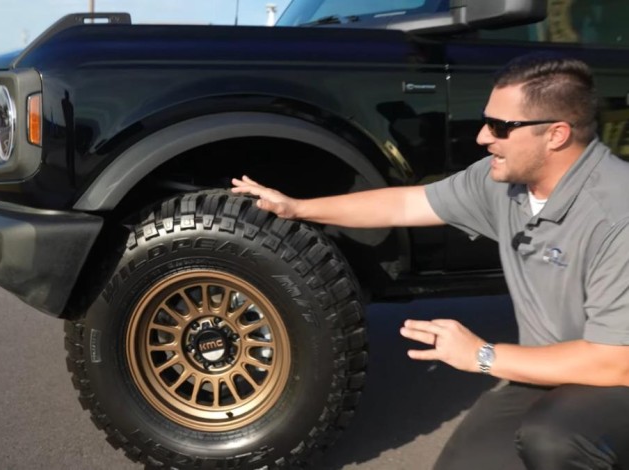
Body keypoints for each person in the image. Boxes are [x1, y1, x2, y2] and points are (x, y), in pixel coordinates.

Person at [231, 53, 629, 470]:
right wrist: (298, 207)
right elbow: (406, 204)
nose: (482, 137)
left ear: (556, 135)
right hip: (546, 372)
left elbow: (614, 363)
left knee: (554, 441)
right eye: (485, 121)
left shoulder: (616, 214)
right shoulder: (503, 183)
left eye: (500, 127)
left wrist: (482, 355)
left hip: (614, 379)